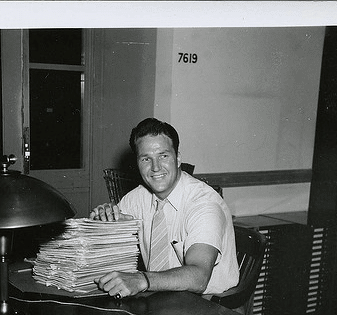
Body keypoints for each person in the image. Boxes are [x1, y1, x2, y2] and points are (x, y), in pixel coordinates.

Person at [90, 117, 239, 299]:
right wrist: (103, 221)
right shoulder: (137, 198)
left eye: (163, 156)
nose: (155, 167)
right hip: (162, 298)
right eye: (146, 159)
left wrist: (142, 279)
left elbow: (199, 277)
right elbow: (107, 245)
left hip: (211, 306)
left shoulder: (204, 203)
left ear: (178, 159)